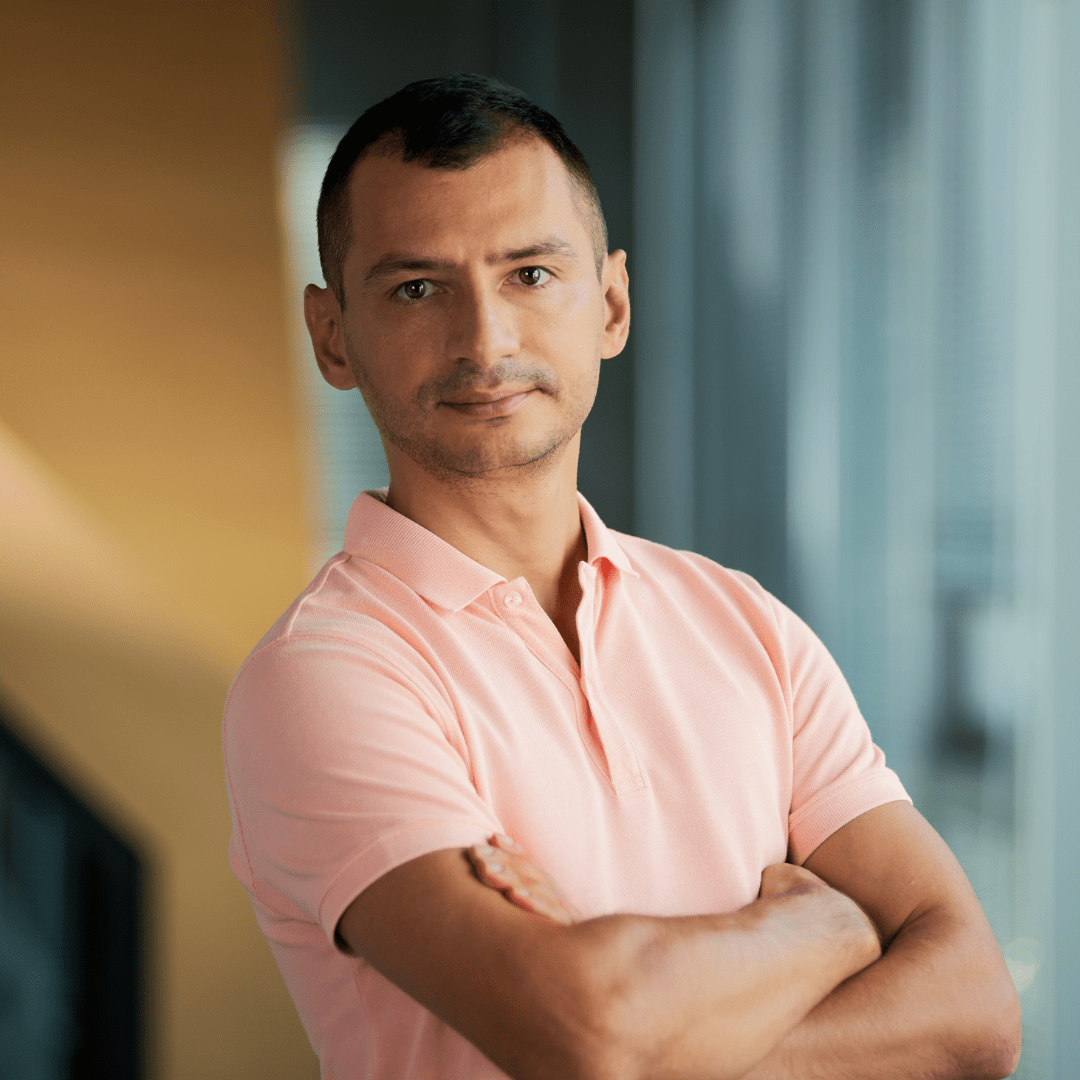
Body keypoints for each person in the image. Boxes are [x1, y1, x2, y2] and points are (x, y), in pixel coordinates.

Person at [223, 74, 1021, 1079]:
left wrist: (650, 1020)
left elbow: (976, 1008)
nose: (486, 340)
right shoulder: (322, 678)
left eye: (530, 274)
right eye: (416, 288)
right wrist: (828, 926)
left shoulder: (748, 627)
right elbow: (586, 1032)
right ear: (333, 335)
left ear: (611, 303)